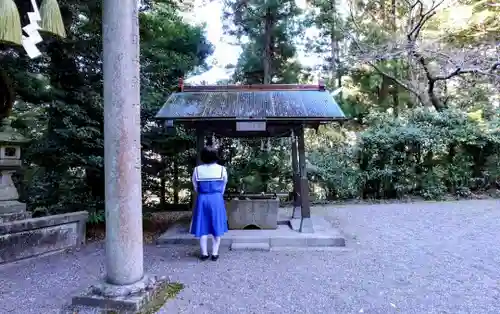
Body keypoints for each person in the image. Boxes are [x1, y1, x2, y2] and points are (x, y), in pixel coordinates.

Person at [190, 146, 228, 261]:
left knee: (203, 225)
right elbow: (223, 185)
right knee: (217, 224)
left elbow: (195, 186)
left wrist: (203, 193)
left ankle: (204, 253)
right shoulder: (222, 169)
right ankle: (215, 253)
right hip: (216, 198)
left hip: (202, 198)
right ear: (216, 156)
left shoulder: (197, 170)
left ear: (203, 156)